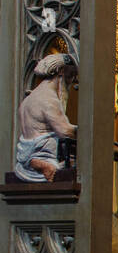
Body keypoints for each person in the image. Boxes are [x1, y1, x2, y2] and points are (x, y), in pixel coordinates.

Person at [14, 53, 77, 182]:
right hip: (42, 152)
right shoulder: (49, 99)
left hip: (25, 152)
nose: (71, 83)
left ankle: (32, 161)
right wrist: (87, 130)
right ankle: (38, 161)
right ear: (60, 71)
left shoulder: (28, 99)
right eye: (70, 76)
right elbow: (65, 131)